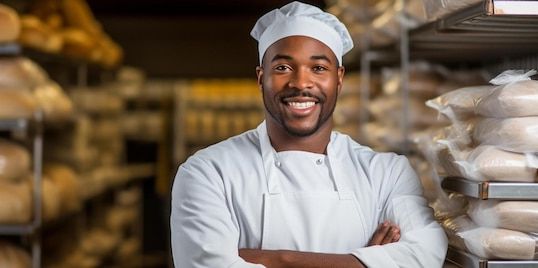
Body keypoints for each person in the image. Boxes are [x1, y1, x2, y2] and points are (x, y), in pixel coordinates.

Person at [170, 1, 448, 267]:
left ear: (338, 79)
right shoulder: (208, 172)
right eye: (283, 68)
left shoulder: (386, 173)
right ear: (260, 78)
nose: (301, 83)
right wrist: (368, 261)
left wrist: (279, 260)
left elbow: (425, 254)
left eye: (318, 68)